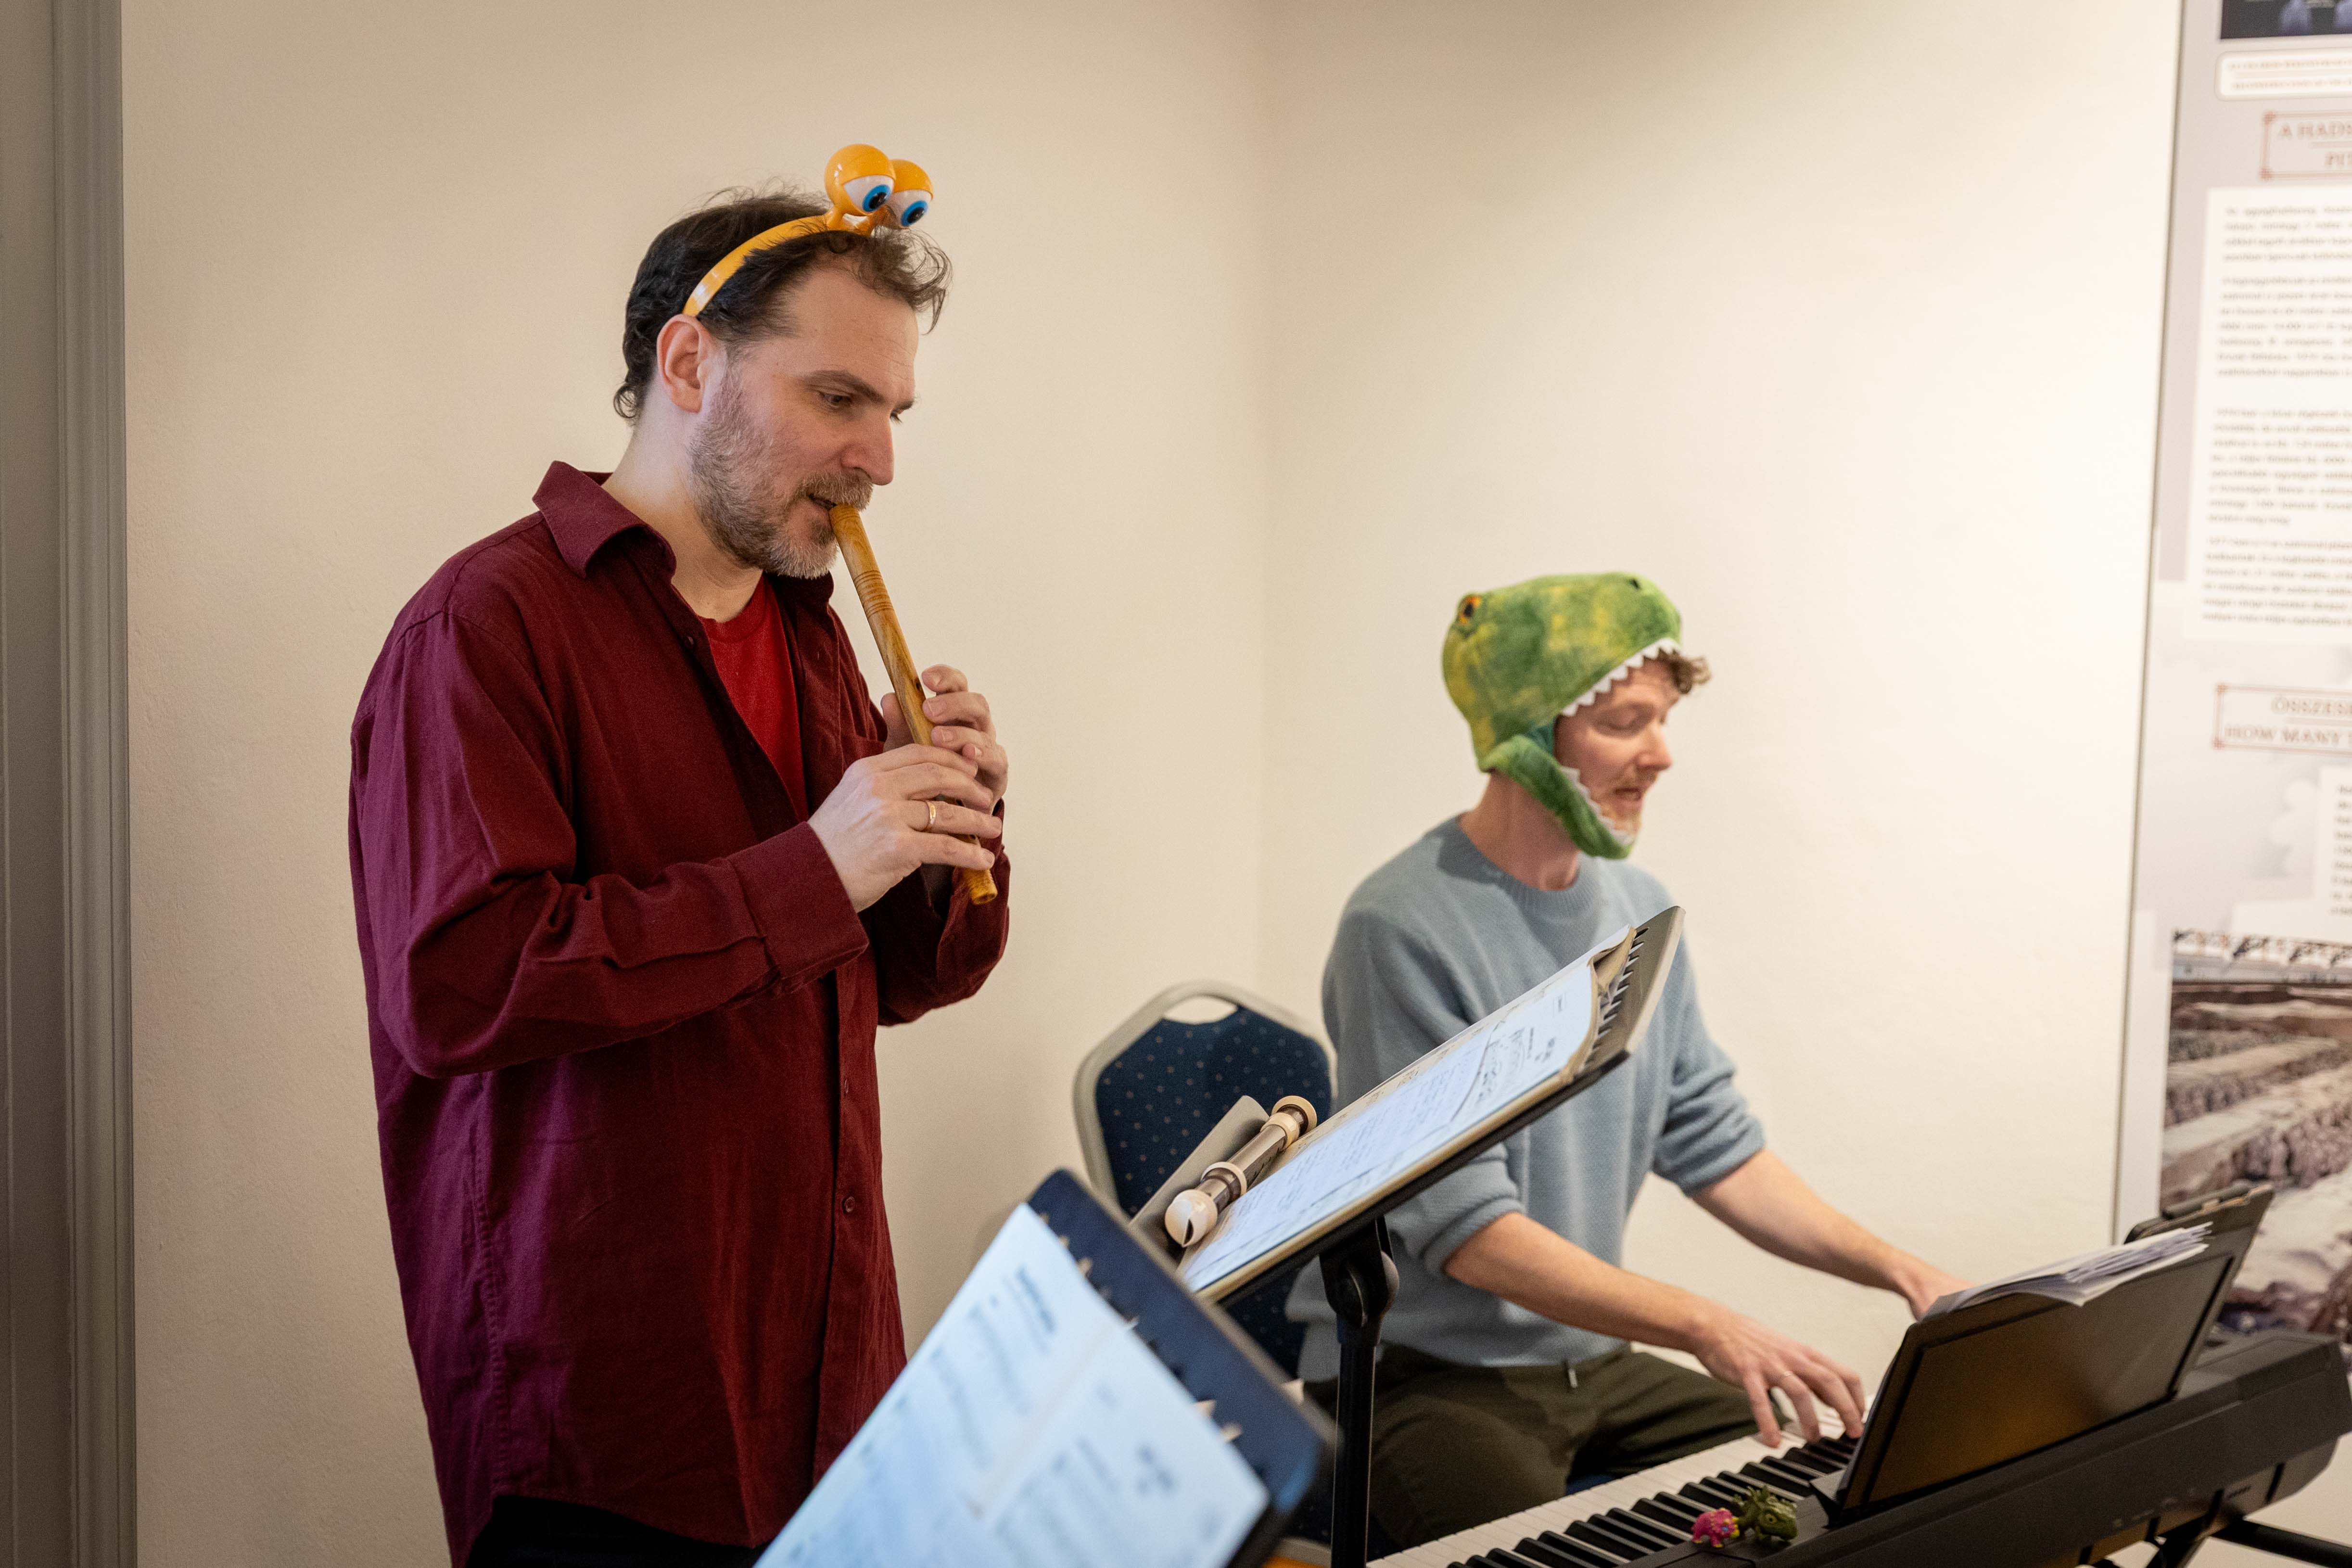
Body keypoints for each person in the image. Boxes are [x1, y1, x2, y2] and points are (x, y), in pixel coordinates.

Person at [346, 185, 1011, 1568]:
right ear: (691, 362)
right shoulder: (483, 625)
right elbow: (462, 981)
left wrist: (952, 830)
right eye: (838, 397)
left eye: (894, 411)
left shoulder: (811, 633)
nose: (881, 457)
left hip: (831, 1395)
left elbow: (891, 980)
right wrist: (817, 862)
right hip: (608, 1429)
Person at [1287, 572, 1962, 1549]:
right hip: (1425, 1378)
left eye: (1664, 721)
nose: (1661, 754)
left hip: (1589, 1360)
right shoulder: (1399, 924)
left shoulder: (1638, 910)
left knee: (1823, 1499)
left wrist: (1902, 1271)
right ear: (1528, 732)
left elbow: (1715, 1145)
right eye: (1623, 723)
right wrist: (1706, 1323)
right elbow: (1469, 1234)